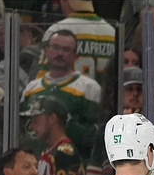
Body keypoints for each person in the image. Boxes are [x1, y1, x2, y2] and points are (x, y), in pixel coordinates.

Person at [21, 30, 102, 159]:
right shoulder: (31, 88)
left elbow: (95, 138)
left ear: (76, 56)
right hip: (33, 166)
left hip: (71, 168)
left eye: (66, 49)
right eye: (55, 47)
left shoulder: (89, 88)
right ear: (46, 51)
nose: (60, 53)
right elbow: (22, 129)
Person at [35, 0, 116, 81]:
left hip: (68, 94)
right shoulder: (112, 32)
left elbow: (43, 80)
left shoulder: (56, 31)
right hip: (105, 94)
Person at [23, 96, 85, 175]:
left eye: (36, 119)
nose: (31, 125)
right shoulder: (50, 152)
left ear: (52, 118)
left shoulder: (65, 154)